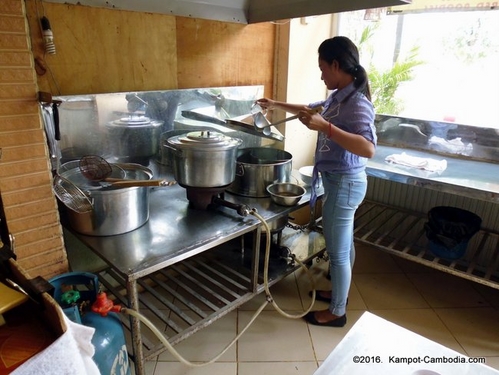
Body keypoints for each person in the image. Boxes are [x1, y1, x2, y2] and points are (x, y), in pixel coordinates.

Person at [257, 36, 377, 327]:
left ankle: (337, 312)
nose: (321, 74)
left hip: (345, 184)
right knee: (344, 245)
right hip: (339, 183)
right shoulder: (339, 97)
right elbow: (309, 108)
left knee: (336, 253)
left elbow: (368, 148)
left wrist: (327, 127)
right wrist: (274, 103)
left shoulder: (357, 104)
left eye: (323, 68)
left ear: (336, 65)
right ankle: (339, 294)